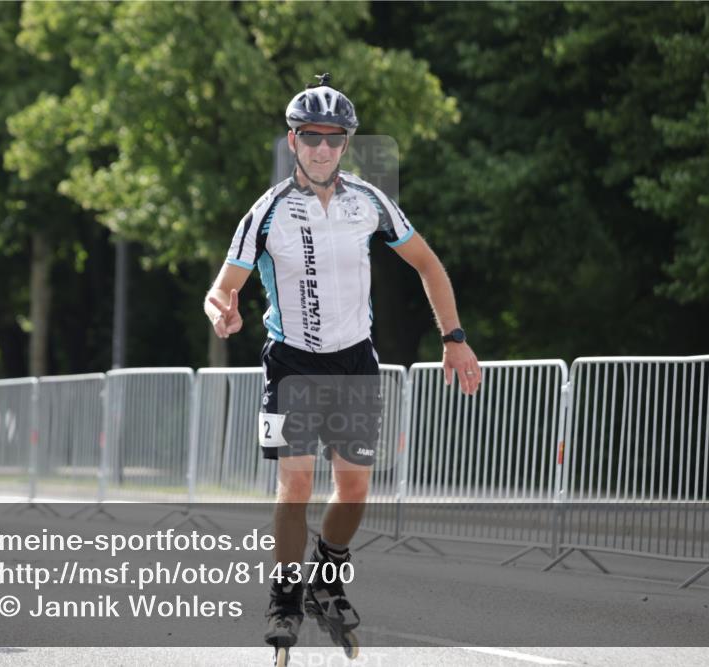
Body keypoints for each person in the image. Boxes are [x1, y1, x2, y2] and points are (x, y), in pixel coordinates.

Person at [203, 73, 481, 659]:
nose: (323, 147)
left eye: (334, 137)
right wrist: (221, 311)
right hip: (293, 364)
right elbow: (221, 287)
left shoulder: (369, 201)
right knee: (296, 484)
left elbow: (428, 264)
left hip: (355, 361)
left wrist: (453, 338)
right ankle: (283, 596)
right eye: (311, 136)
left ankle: (325, 579)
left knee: (354, 488)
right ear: (293, 140)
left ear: (347, 143)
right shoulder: (268, 211)